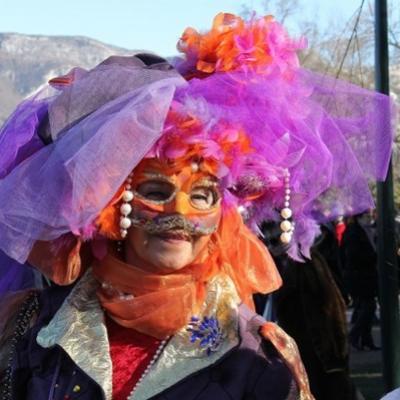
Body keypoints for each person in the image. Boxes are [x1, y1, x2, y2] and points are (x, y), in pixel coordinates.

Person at [0, 12, 395, 400]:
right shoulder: (33, 327)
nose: (180, 215)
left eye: (203, 195)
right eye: (156, 190)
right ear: (114, 199)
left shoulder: (258, 357)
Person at [341, 213, 380, 350]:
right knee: (369, 306)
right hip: (359, 276)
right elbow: (352, 255)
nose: (369, 218)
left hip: (365, 275)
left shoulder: (363, 230)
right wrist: (372, 256)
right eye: (366, 215)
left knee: (365, 306)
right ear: (360, 217)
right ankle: (354, 336)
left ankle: (366, 340)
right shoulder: (354, 232)